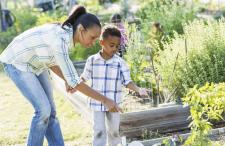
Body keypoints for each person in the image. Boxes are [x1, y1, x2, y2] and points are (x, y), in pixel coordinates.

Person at [0, 5, 121, 146]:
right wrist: (105, 100)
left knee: (51, 112)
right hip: (17, 62)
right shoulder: (61, 41)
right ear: (81, 30)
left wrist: (67, 79)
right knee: (43, 111)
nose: (94, 42)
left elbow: (52, 61)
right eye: (92, 37)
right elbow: (76, 82)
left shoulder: (66, 35)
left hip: (36, 64)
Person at [81, 25, 149, 146]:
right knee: (99, 131)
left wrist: (139, 89)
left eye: (117, 46)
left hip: (114, 104)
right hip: (97, 103)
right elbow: (84, 77)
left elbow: (127, 81)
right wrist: (73, 83)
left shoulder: (120, 63)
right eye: (111, 45)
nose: (115, 49)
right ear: (101, 42)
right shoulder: (92, 60)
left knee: (114, 131)